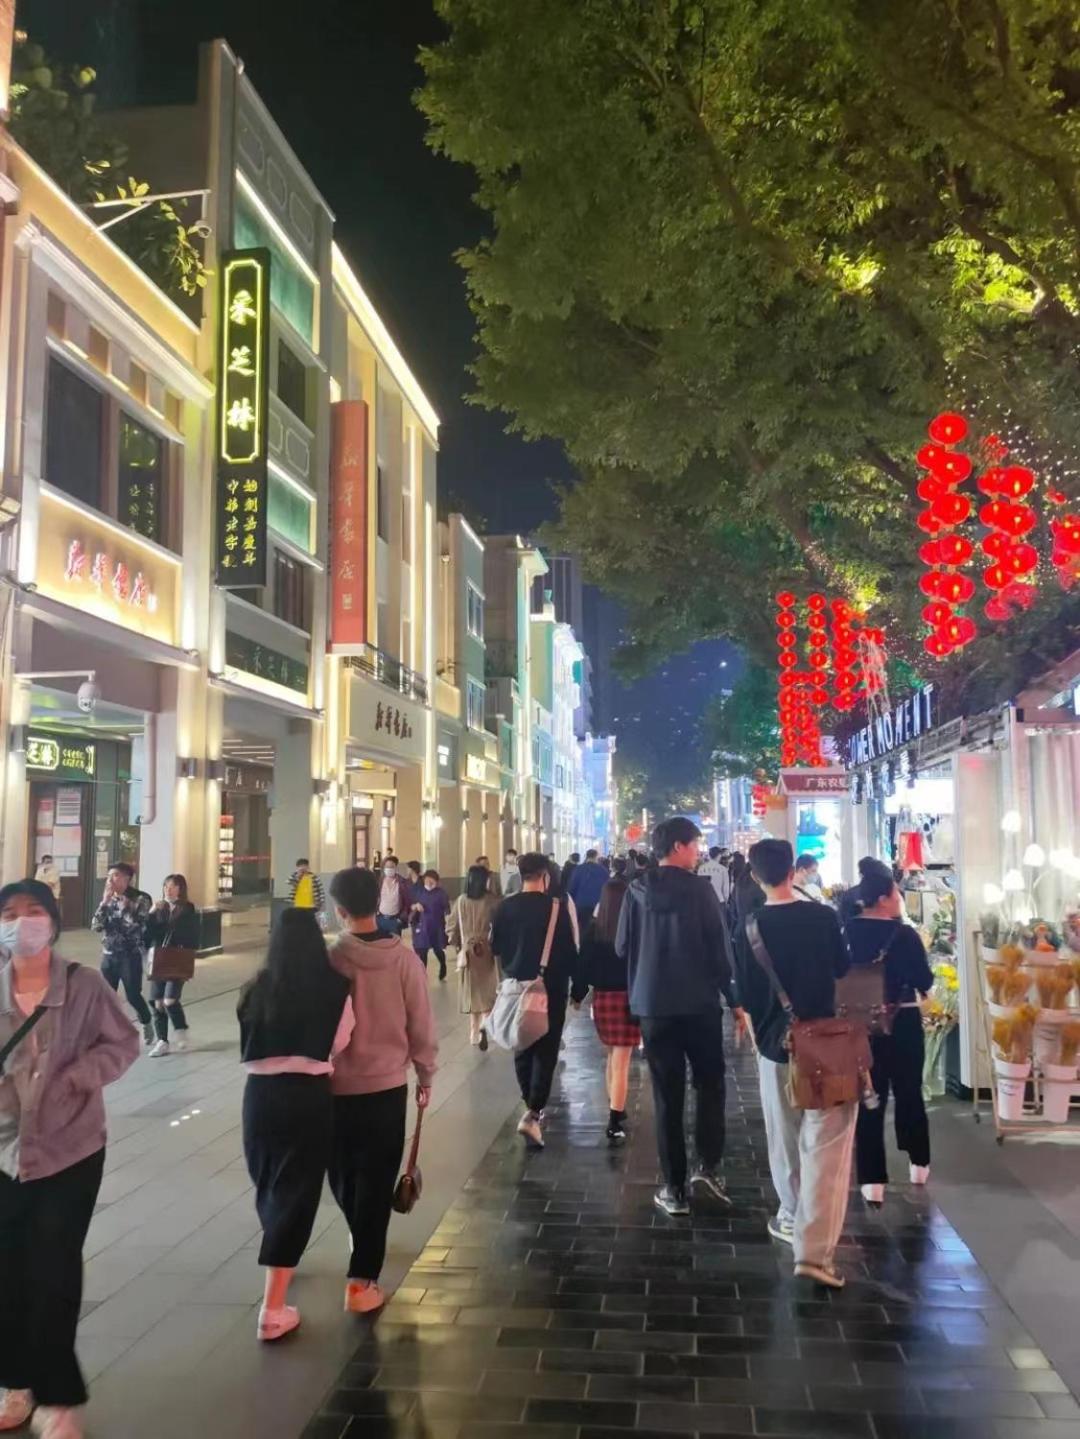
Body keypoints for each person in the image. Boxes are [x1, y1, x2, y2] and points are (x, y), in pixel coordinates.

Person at [0, 878, 139, 1437]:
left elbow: (123, 1042)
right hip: (4, 1150)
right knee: (8, 1269)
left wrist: (79, 1077)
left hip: (70, 1149)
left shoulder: (83, 985)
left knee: (53, 1268)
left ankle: (58, 1396)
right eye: (9, 913)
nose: (21, 922)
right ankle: (15, 1380)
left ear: (53, 922)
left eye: (33, 910)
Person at [734, 838, 855, 1289]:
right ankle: (815, 1247)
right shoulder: (823, 917)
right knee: (826, 1143)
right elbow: (842, 969)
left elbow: (746, 995)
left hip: (775, 1045)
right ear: (793, 871)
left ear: (754, 876)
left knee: (783, 1136)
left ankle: (789, 1213)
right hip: (826, 1044)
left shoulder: (748, 928)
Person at [238, 909, 352, 1342]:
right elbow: (340, 1041)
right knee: (297, 1191)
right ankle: (272, 1308)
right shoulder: (335, 987)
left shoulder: (255, 988)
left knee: (268, 1180)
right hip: (308, 1095)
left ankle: (280, 1258)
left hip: (259, 1097)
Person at [328, 867, 438, 1314]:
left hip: (333, 1087)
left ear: (339, 911)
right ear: (379, 902)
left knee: (341, 1175)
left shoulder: (329, 959)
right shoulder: (405, 961)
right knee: (375, 1183)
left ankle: (360, 1234)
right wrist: (425, 1076)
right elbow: (421, 1025)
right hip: (387, 1088)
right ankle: (361, 1283)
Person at [616, 817, 737, 1216]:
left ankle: (674, 1188)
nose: (699, 852)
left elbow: (621, 946)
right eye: (696, 844)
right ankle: (708, 1166)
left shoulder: (635, 891)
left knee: (666, 1096)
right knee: (710, 1084)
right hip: (699, 1003)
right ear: (680, 847)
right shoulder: (701, 891)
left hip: (654, 1006)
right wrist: (733, 998)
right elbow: (720, 949)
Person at [845, 857, 934, 1203]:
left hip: (860, 1025)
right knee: (909, 1090)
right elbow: (923, 979)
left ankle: (872, 1181)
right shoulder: (905, 934)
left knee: (870, 1096)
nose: (899, 898)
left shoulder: (846, 932)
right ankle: (918, 1162)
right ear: (882, 899)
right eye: (895, 893)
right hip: (903, 1020)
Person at [491, 852, 586, 1149]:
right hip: (550, 988)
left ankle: (529, 1103)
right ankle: (533, 1112)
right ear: (545, 876)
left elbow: (496, 948)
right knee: (546, 1048)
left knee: (521, 1044)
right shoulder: (556, 907)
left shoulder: (504, 907)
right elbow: (571, 951)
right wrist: (578, 989)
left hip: (515, 987)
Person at [581, 875, 638, 1142]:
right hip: (628, 999)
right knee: (622, 1061)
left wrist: (578, 994)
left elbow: (583, 966)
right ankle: (614, 1120)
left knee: (612, 1055)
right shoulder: (634, 931)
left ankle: (616, 1105)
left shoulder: (593, 931)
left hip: (602, 998)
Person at [91, 862, 154, 1045]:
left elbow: (137, 925)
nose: (110, 880)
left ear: (127, 879)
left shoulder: (142, 898)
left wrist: (125, 906)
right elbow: (96, 926)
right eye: (109, 876)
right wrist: (104, 903)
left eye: (115, 875)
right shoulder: (108, 898)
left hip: (130, 955)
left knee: (133, 995)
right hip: (109, 954)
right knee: (107, 996)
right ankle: (108, 1032)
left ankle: (146, 1021)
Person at [144, 874, 200, 1058]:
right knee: (158, 1002)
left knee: (170, 1000)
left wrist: (174, 922)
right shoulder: (158, 909)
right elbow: (146, 935)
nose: (168, 889)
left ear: (180, 889)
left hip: (177, 959)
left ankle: (180, 1029)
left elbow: (193, 936)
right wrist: (151, 913)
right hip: (159, 959)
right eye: (165, 886)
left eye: (173, 886)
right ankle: (162, 1041)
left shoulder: (188, 908)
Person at [449, 865, 499, 1048]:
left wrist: (457, 944)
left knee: (472, 992)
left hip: (469, 952)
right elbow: (500, 924)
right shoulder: (492, 901)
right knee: (488, 990)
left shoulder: (461, 900)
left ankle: (473, 1031)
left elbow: (451, 927)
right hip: (487, 950)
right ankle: (486, 1022)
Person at [410, 870, 451, 979]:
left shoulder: (441, 893)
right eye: (427, 880)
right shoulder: (420, 892)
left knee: (438, 950)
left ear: (437, 882)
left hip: (437, 926)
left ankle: (443, 965)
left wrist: (448, 917)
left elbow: (447, 908)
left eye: (432, 881)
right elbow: (411, 905)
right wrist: (416, 906)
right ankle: (423, 975)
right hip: (423, 926)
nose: (429, 883)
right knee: (423, 951)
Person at [568, 848, 608, 932]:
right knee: (596, 930)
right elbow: (606, 888)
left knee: (582, 928)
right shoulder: (603, 870)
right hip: (597, 905)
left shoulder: (578, 869)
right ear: (596, 857)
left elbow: (572, 887)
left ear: (586, 856)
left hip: (580, 904)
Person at [376, 856, 412, 936]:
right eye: (387, 867)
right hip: (380, 919)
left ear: (396, 867)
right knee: (380, 942)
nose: (389, 869)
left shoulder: (403, 883)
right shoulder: (379, 882)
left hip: (395, 921)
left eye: (391, 867)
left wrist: (401, 919)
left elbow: (407, 903)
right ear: (384, 868)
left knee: (395, 943)